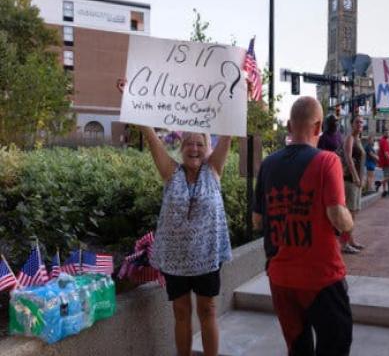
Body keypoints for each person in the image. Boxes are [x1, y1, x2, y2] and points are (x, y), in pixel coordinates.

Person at [117, 79, 231, 356]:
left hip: (206, 259)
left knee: (208, 311)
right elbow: (151, 135)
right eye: (189, 144)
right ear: (182, 148)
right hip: (176, 263)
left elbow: (229, 132)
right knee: (181, 313)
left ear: (207, 148)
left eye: (200, 144)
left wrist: (237, 101)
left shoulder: (213, 170)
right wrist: (132, 96)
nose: (194, 149)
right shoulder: (171, 172)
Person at [252, 96, 354, 356]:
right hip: (320, 277)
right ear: (318, 127)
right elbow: (337, 216)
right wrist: (349, 222)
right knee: (336, 343)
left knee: (298, 348)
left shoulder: (267, 164)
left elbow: (257, 221)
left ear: (289, 126)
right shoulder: (327, 161)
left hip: (281, 279)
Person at [340, 116, 366, 254]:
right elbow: (348, 158)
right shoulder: (350, 138)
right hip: (350, 181)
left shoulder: (358, 140)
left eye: (362, 122)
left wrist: (363, 178)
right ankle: (344, 244)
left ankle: (350, 241)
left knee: (353, 213)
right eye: (357, 122)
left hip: (357, 181)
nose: (360, 124)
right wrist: (356, 177)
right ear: (351, 124)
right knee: (350, 214)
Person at [378, 129, 389, 197]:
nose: (388, 134)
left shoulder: (384, 140)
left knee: (386, 176)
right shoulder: (384, 141)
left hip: (385, 162)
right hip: (387, 163)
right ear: (383, 133)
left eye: (388, 133)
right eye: (386, 133)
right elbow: (386, 153)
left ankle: (384, 191)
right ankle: (379, 183)